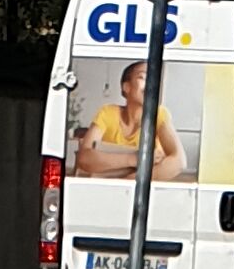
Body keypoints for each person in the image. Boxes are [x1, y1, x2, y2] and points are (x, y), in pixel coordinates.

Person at [73, 55, 187, 183]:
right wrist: (135, 159)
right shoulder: (108, 113)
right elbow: (84, 158)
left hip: (140, 194)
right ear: (126, 87)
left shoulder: (159, 115)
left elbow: (179, 162)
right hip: (104, 189)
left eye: (154, 79)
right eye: (142, 77)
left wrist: (129, 182)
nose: (150, 84)